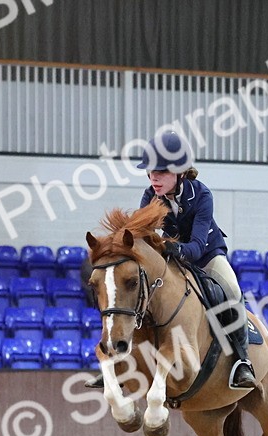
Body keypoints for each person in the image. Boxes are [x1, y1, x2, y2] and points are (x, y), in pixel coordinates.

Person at [87, 130, 255, 390]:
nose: (154, 178)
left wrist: (170, 248)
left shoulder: (202, 196)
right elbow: (142, 239)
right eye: (151, 172)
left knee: (231, 289)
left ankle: (242, 361)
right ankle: (119, 364)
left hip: (207, 255)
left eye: (162, 172)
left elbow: (197, 246)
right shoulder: (150, 197)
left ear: (180, 172)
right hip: (172, 257)